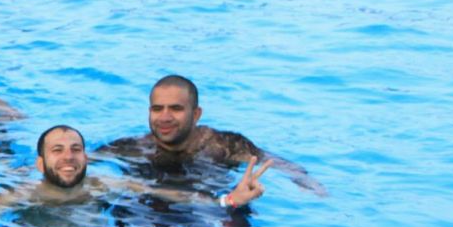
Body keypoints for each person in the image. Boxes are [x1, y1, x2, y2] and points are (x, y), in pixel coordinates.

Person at [0, 124, 273, 227]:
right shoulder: (19, 195)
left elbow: (174, 196)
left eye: (75, 149)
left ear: (86, 158)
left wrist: (229, 200)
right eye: (57, 150)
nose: (68, 157)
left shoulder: (106, 185)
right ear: (40, 164)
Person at [99, 74, 324, 193]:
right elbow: (85, 160)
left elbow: (274, 162)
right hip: (151, 205)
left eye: (176, 109)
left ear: (196, 114)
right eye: (157, 109)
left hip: (209, 206)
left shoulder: (225, 145)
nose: (165, 117)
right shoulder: (132, 147)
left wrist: (306, 182)